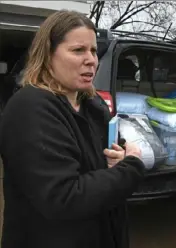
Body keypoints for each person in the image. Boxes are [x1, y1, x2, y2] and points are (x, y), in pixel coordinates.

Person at [0, 10, 146, 248]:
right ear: (47, 55)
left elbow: (106, 153)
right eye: (78, 50)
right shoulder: (30, 108)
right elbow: (65, 197)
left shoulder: (93, 104)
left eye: (93, 51)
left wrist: (118, 156)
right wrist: (132, 166)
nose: (91, 59)